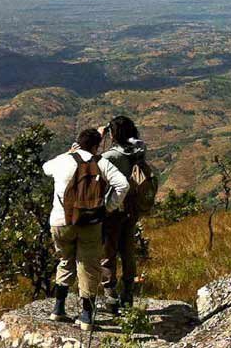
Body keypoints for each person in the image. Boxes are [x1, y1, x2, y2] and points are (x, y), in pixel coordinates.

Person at [43, 127, 128, 330]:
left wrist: (68, 153)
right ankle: (86, 316)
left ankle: (58, 309)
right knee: (89, 266)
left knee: (65, 261)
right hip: (91, 222)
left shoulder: (63, 161)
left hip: (61, 221)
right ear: (96, 146)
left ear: (78, 143)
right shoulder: (100, 162)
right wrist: (107, 207)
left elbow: (46, 167)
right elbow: (123, 185)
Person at [100, 115, 147, 313]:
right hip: (131, 208)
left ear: (114, 133)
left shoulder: (111, 156)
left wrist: (100, 137)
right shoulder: (138, 150)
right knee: (127, 251)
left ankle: (110, 295)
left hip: (113, 209)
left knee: (107, 253)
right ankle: (128, 294)